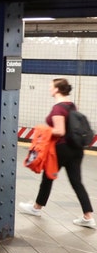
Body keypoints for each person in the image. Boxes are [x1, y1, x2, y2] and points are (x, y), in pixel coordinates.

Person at [18, 78, 94, 228]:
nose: (49, 89)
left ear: (57, 90)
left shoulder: (58, 109)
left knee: (48, 176)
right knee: (76, 182)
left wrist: (43, 129)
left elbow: (60, 131)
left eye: (51, 86)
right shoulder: (71, 106)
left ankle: (36, 208)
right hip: (76, 149)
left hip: (62, 149)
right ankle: (88, 216)